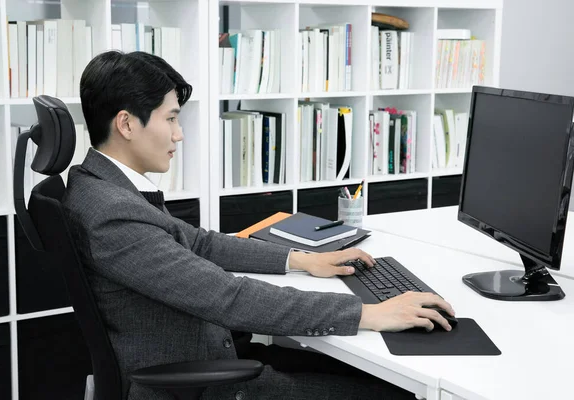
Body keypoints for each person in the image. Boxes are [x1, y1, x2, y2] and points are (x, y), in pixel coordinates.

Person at [62, 50, 455, 400]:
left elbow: (199, 244)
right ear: (127, 124)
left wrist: (301, 259)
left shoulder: (98, 186)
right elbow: (227, 297)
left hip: (206, 358)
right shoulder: (112, 212)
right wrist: (369, 313)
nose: (179, 135)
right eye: (171, 119)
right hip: (202, 384)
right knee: (397, 391)